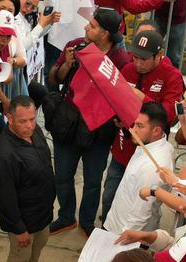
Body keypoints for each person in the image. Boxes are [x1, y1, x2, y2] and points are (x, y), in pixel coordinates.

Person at [47, 7, 130, 236]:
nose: (86, 27)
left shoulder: (121, 60)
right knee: (62, 175)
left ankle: (86, 221)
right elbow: (54, 79)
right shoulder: (76, 46)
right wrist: (67, 64)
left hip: (99, 130)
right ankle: (66, 217)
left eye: (92, 25)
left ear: (105, 34)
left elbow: (124, 96)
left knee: (93, 181)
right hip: (69, 123)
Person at [101, 29, 183, 221]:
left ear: (159, 55)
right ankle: (106, 229)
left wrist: (143, 99)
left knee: (144, 204)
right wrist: (119, 117)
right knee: (110, 195)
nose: (137, 63)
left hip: (149, 157)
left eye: (143, 59)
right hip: (123, 149)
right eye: (135, 57)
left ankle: (139, 243)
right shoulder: (128, 70)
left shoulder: (172, 76)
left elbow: (169, 115)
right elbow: (114, 101)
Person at [0, 95, 56, 262]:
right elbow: (5, 196)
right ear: (9, 118)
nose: (29, 125)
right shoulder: (4, 154)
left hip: (41, 209)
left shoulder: (34, 131)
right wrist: (18, 228)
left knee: (40, 243)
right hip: (23, 217)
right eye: (23, 121)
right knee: (20, 255)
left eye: (32, 119)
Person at [103, 103, 175, 234]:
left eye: (140, 126)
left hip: (126, 234)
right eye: (134, 124)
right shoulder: (153, 145)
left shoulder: (153, 166)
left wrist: (124, 239)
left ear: (156, 131)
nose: (133, 129)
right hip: (117, 223)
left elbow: (142, 212)